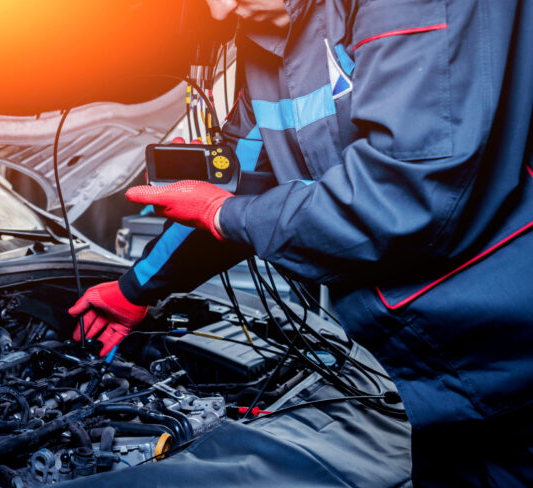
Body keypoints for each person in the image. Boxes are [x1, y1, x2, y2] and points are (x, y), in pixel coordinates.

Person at [69, 0, 533, 484]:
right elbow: (235, 185)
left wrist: (224, 214)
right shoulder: (266, 45)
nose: (221, 11)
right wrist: (133, 290)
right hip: (438, 378)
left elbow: (401, 194)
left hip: (512, 357)